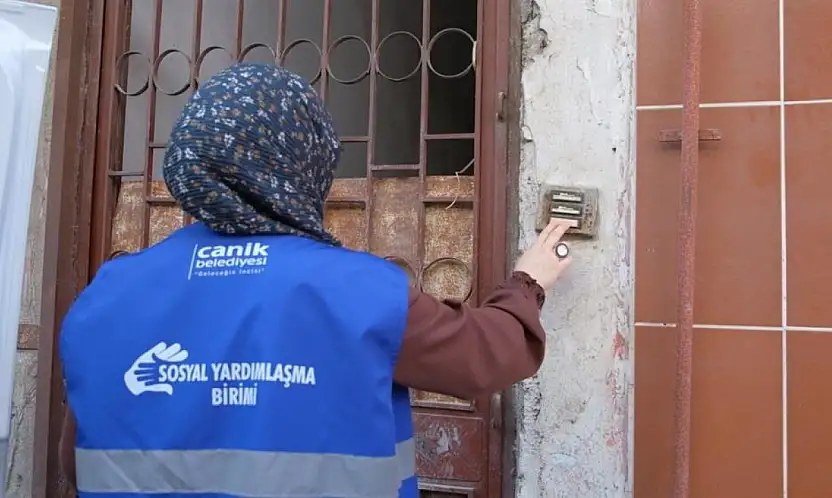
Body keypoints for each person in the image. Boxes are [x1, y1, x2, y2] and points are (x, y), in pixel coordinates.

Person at [58, 62, 573, 498]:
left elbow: (78, 453)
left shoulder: (107, 295)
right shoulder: (360, 293)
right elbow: (483, 356)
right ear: (303, 164)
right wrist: (528, 282)